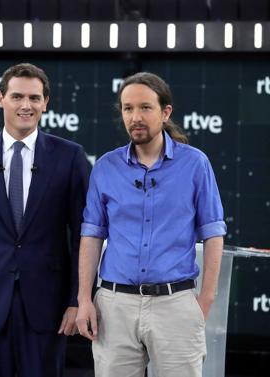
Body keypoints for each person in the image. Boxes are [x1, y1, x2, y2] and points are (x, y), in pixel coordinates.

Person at [76, 72, 226, 377]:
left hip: (176, 305)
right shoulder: (106, 167)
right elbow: (91, 235)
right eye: (128, 108)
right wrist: (83, 299)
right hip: (114, 306)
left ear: (165, 112)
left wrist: (204, 302)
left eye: (145, 107)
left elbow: (213, 233)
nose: (135, 117)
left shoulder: (195, 164)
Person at [0, 63, 88, 377]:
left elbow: (82, 237)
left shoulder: (70, 156)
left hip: (48, 305)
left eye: (35, 98)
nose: (26, 105)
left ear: (46, 102)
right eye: (17, 96)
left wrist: (77, 299)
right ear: (0, 98)